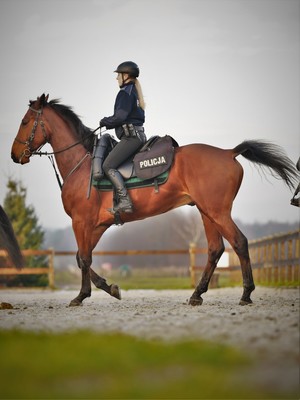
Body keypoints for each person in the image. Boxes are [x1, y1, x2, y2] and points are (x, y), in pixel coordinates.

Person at [99, 61, 146, 214]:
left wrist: (105, 121)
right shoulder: (134, 92)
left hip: (131, 138)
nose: (117, 78)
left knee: (107, 165)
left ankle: (125, 200)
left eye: (118, 75)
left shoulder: (125, 92)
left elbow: (120, 116)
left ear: (125, 76)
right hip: (138, 135)